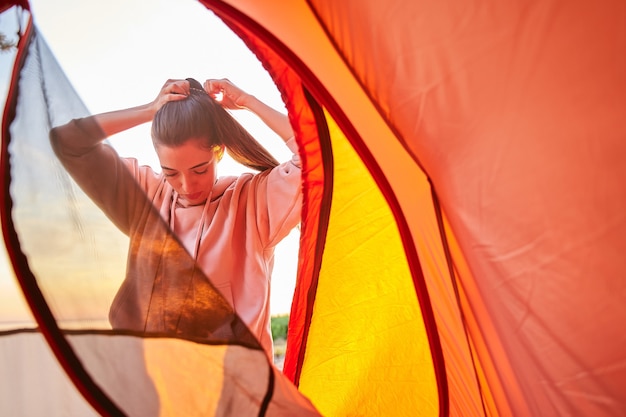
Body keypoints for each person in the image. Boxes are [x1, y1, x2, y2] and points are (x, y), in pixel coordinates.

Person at [49, 78, 301, 358]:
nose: (187, 185)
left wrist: (249, 102)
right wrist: (149, 110)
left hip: (233, 387)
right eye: (171, 173)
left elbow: (315, 155)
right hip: (155, 386)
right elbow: (67, 141)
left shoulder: (253, 202)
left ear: (218, 150)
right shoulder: (145, 196)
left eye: (199, 170)